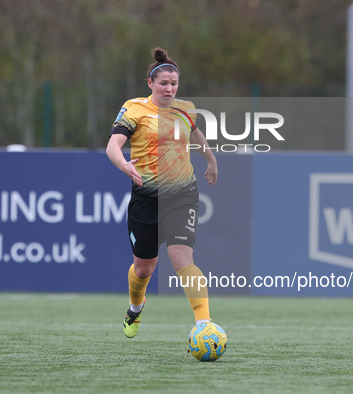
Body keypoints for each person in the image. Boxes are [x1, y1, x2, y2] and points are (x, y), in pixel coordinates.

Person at [106, 47, 218, 338]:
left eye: (174, 83)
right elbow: (113, 146)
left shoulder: (186, 108)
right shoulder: (134, 109)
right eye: (164, 83)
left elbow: (194, 132)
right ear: (151, 84)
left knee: (182, 258)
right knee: (143, 270)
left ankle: (204, 324)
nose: (169, 88)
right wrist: (124, 166)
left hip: (182, 194)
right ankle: (135, 308)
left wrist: (211, 159)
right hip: (146, 198)